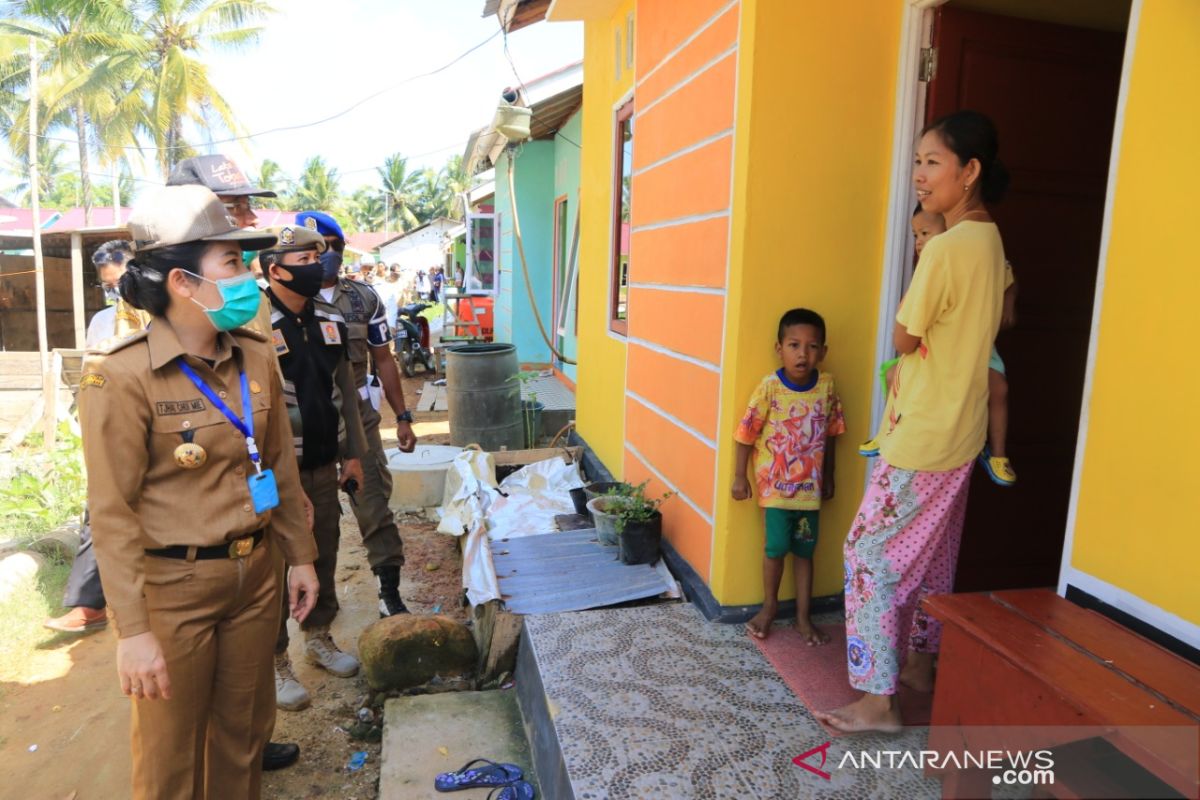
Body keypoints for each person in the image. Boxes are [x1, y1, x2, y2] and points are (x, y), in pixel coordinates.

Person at [78, 185, 321, 797]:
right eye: (233, 264)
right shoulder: (121, 376)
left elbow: (281, 470)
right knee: (170, 760)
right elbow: (111, 515)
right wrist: (133, 632)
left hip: (254, 577)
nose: (247, 278)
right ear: (184, 282)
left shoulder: (256, 356)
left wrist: (301, 556)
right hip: (172, 593)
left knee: (242, 740)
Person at [815, 110, 1009, 733]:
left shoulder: (949, 247)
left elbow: (903, 337)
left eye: (933, 162)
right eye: (918, 162)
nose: (920, 176)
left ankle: (878, 699)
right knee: (933, 554)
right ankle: (922, 662)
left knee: (867, 553)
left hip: (924, 432)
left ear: (970, 171)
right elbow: (998, 320)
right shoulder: (990, 239)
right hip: (962, 429)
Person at [258, 225, 370, 711]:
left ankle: (318, 636)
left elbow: (344, 387)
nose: (318, 266)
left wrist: (355, 453)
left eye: (319, 256)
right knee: (274, 564)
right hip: (271, 472)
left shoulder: (328, 316)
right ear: (275, 269)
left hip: (325, 461)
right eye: (305, 259)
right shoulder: (253, 324)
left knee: (323, 550)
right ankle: (274, 660)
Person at [298, 211, 417, 616]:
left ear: (341, 250)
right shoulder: (285, 300)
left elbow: (384, 359)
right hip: (304, 420)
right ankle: (316, 615)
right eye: (313, 252)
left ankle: (389, 593)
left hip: (359, 417)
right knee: (310, 520)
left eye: (330, 249)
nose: (322, 258)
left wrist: (402, 416)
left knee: (374, 505)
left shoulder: (365, 298)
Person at [860, 206, 1019, 486]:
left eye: (925, 233)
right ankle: (887, 430)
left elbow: (1010, 278)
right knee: (891, 375)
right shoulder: (926, 266)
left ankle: (997, 454)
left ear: (949, 233)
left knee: (999, 388)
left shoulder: (965, 254)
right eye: (915, 234)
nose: (919, 240)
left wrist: (1008, 304)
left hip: (975, 350)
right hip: (931, 356)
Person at [45, 241, 150, 634]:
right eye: (108, 286)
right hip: (117, 429)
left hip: (165, 427)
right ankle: (89, 605)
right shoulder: (102, 323)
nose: (116, 291)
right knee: (101, 508)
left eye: (120, 281)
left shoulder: (165, 314)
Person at [732, 308, 845, 645]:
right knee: (776, 549)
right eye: (794, 345)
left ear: (823, 351)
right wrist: (740, 476)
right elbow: (746, 432)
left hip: (809, 491)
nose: (803, 354)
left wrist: (829, 475)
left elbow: (832, 433)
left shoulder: (826, 386)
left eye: (812, 347)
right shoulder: (770, 387)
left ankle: (802, 617)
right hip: (776, 489)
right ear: (779, 348)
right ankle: (769, 608)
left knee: (806, 554)